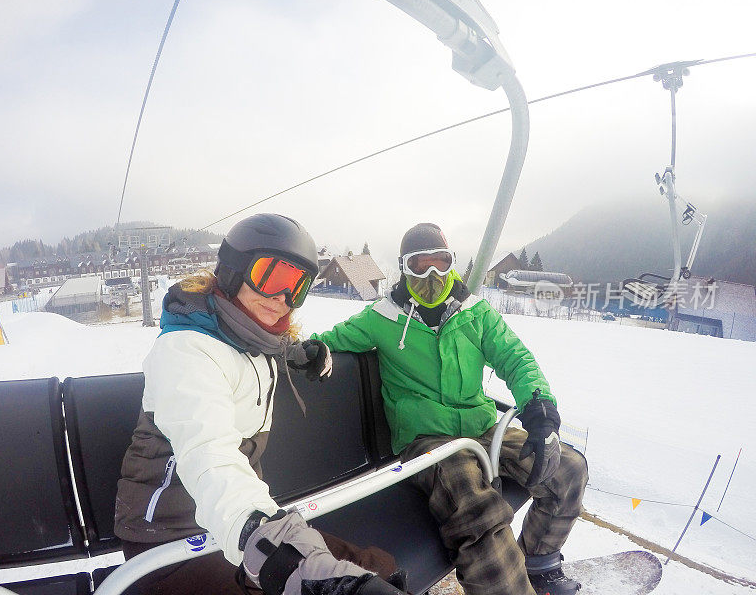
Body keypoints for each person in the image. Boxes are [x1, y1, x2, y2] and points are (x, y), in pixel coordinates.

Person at [115, 214, 405, 595]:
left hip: (238, 525)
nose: (283, 298)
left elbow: (269, 351)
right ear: (234, 270)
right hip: (173, 539)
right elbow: (210, 456)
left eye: (297, 287)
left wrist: (304, 355)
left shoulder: (255, 338)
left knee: (371, 571)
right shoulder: (185, 351)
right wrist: (268, 540)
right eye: (274, 277)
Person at [311, 223, 588, 595]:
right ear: (404, 268)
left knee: (568, 468)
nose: (432, 276)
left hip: (480, 427)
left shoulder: (476, 314)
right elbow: (328, 342)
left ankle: (538, 561)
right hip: (426, 440)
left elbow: (514, 357)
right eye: (419, 266)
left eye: (441, 264)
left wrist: (539, 409)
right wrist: (313, 354)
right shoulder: (382, 318)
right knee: (476, 505)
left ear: (452, 264)